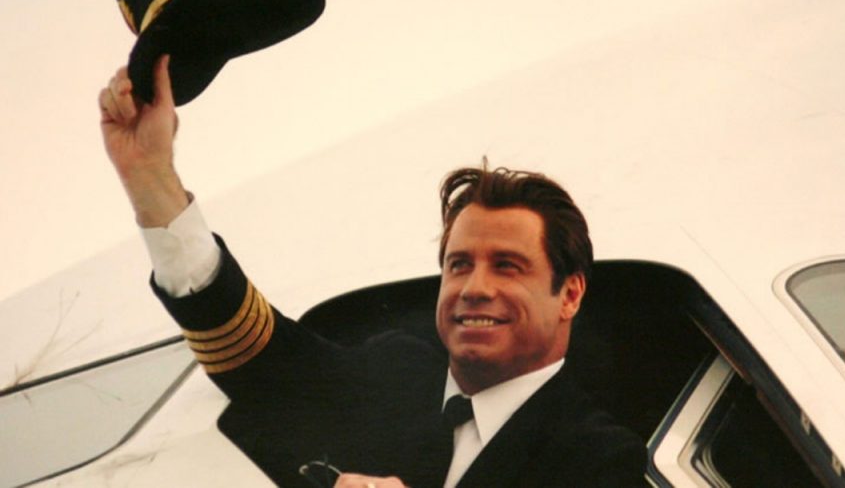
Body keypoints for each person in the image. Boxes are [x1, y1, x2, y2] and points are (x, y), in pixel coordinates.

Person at [98, 57, 645, 487]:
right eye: (458, 265)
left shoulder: (600, 460)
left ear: (570, 294)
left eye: (507, 266)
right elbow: (254, 354)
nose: (475, 288)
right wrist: (151, 179)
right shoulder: (392, 374)